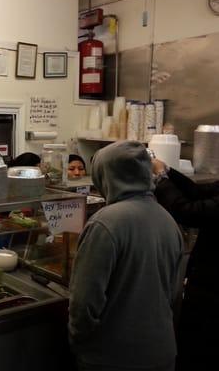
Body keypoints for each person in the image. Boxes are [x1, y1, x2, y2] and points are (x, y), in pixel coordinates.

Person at [68, 141, 183, 371]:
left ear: (105, 177)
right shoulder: (168, 220)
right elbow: (174, 293)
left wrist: (79, 340)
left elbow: (84, 302)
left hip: (114, 356)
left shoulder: (105, 222)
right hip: (162, 352)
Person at [152, 158, 219, 370]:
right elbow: (199, 191)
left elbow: (188, 211)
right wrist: (168, 171)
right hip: (206, 285)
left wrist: (161, 179)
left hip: (212, 292)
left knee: (199, 350)